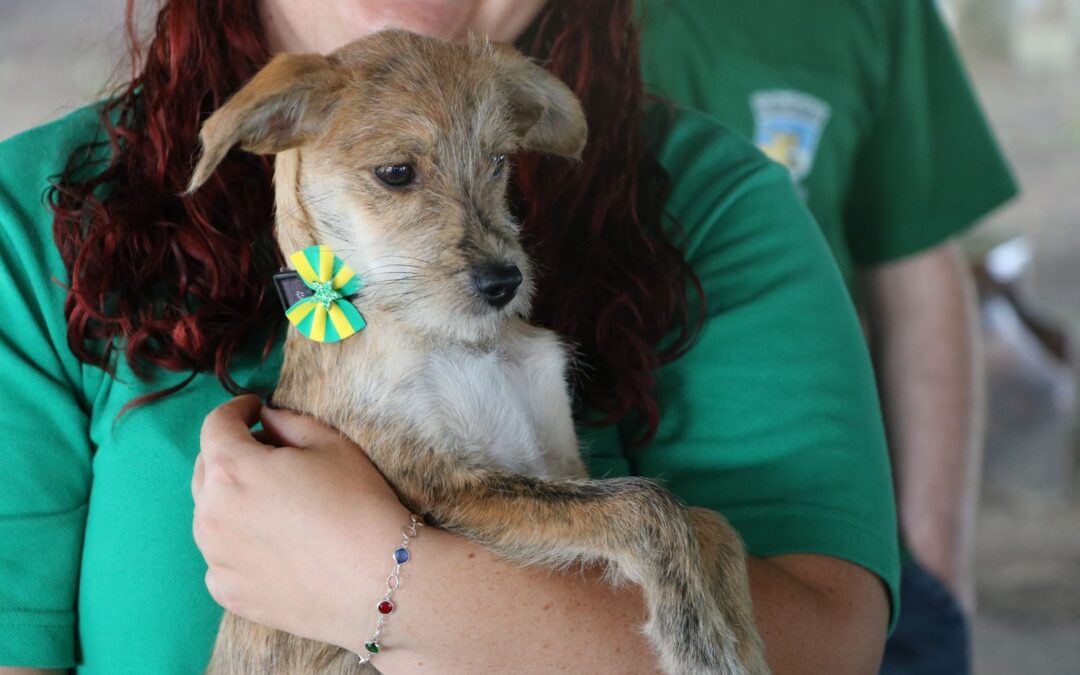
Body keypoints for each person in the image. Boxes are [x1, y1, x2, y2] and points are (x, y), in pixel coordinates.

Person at [0, 1, 897, 673]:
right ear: (270, 133)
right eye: (398, 174)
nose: (484, 240)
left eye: (497, 165)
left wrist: (383, 576)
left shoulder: (719, 201)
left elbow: (833, 641)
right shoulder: (30, 218)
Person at [636, 0, 1019, 672]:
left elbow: (917, 263)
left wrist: (934, 563)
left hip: (827, 546)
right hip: (597, 557)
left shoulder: (873, 12)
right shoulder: (479, 20)